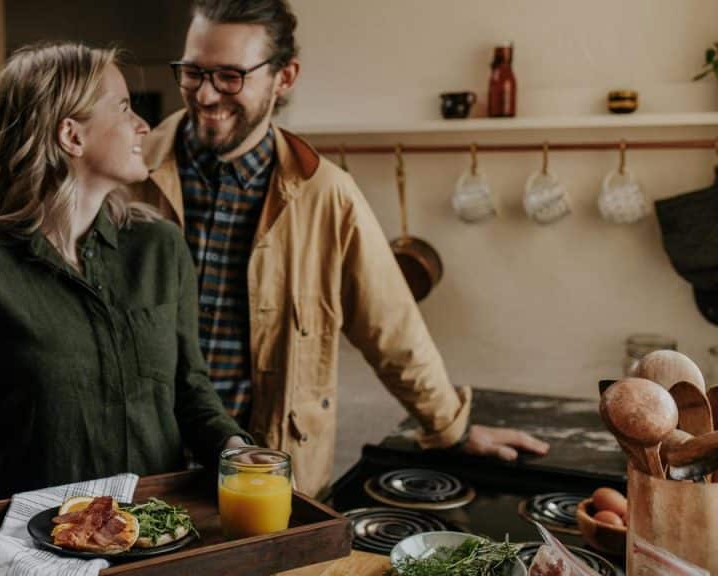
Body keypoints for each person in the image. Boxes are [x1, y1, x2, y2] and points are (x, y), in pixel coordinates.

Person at [130, 0, 550, 497]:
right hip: (145, 469)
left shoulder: (327, 194)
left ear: (284, 78)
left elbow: (392, 328)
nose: (205, 94)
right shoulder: (128, 175)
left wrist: (452, 430)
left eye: (229, 76)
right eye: (193, 72)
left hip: (270, 479)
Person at [0, 43, 251, 557]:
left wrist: (238, 451)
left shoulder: (161, 248)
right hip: (31, 548)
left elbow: (190, 391)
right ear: (71, 134)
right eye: (124, 107)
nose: (143, 127)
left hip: (154, 545)